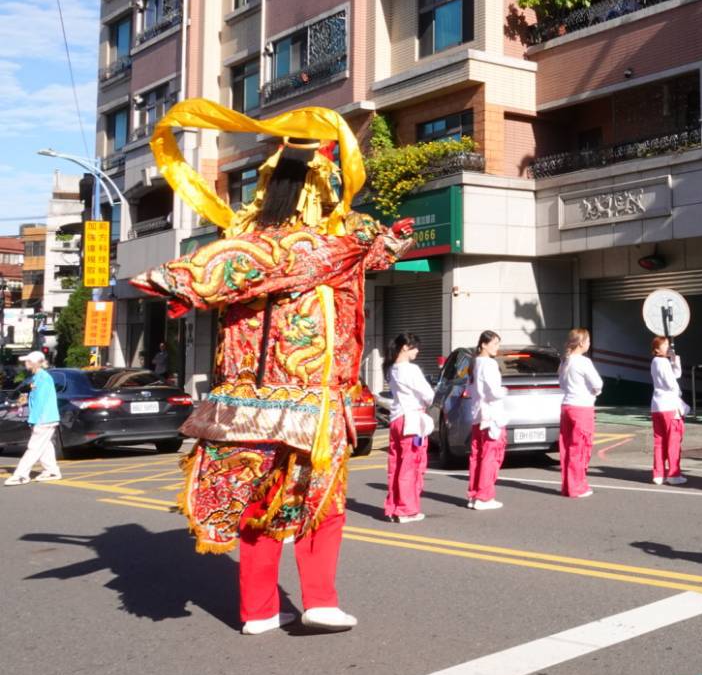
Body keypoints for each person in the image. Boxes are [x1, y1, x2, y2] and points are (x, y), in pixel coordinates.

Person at [130, 108, 412, 635]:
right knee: (315, 502)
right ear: (315, 191)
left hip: (266, 401)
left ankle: (264, 609)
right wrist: (172, 278)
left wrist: (386, 243)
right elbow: (225, 268)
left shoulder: (307, 245)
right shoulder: (309, 247)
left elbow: (372, 253)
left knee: (268, 504)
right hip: (304, 400)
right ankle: (312, 601)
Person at [384, 333, 434, 523]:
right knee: (411, 466)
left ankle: (395, 506)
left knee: (396, 465)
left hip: (397, 418)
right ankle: (406, 509)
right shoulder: (410, 370)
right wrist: (427, 400)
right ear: (405, 347)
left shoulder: (391, 369)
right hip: (412, 419)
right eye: (414, 347)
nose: (417, 351)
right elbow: (428, 394)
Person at [559, 327, 603, 498]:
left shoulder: (565, 361)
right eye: (588, 341)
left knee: (567, 448)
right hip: (582, 407)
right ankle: (577, 486)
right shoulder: (584, 362)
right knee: (580, 447)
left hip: (567, 405)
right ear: (582, 342)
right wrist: (594, 392)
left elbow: (562, 384)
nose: (589, 344)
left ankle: (568, 485)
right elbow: (598, 383)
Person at [4, 351, 60, 485]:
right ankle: (52, 471)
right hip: (46, 418)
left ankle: (21, 475)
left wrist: (34, 420)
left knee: (34, 447)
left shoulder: (42, 378)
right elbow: (36, 398)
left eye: (27, 361)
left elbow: (41, 401)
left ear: (34, 363)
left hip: (43, 418)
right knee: (45, 445)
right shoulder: (38, 377)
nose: (25, 364)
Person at [466, 331, 507, 511]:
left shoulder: (474, 364)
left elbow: (470, 389)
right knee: (491, 457)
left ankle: (475, 495)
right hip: (491, 415)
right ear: (483, 344)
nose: (497, 347)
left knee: (477, 457)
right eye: (494, 343)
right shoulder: (489, 364)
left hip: (478, 415)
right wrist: (504, 391)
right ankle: (484, 496)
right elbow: (493, 391)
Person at [649, 336, 688, 486]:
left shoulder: (655, 362)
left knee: (659, 441)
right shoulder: (662, 362)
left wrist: (674, 359)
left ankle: (658, 473)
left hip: (657, 405)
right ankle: (673, 474)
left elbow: (676, 374)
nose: (667, 346)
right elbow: (672, 382)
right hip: (669, 406)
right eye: (664, 344)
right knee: (673, 441)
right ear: (657, 349)